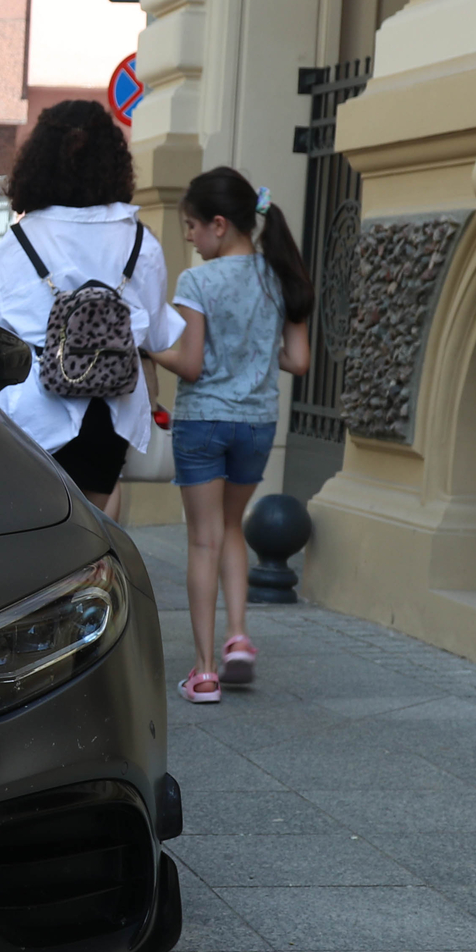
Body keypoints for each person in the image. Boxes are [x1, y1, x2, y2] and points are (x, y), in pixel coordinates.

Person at [144, 166, 313, 704]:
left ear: (220, 224)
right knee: (234, 528)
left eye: (192, 226)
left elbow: (189, 366)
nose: (189, 237)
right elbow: (300, 360)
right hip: (257, 424)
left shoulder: (198, 281)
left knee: (203, 539)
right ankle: (238, 636)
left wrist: (147, 347)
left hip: (203, 423)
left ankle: (204, 670)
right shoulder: (279, 274)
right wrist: (256, 355)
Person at [0, 101, 181, 514]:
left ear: (39, 161)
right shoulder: (141, 241)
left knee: (38, 534)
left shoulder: (19, 242)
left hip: (34, 408)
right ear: (113, 162)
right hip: (111, 410)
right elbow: (159, 334)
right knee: (93, 532)